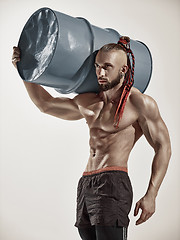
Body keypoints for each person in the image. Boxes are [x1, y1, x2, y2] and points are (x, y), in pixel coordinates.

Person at [12, 36, 171, 240]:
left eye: (107, 67)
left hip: (113, 181)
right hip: (86, 183)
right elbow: (46, 104)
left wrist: (152, 195)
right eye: (97, 66)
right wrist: (23, 70)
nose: (100, 73)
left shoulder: (139, 103)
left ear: (123, 70)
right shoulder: (88, 102)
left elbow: (163, 147)